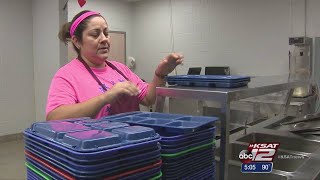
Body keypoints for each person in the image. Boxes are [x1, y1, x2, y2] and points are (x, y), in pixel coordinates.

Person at [46, 10, 183, 120]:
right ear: (76, 41)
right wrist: (106, 97)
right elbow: (54, 118)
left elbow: (148, 99)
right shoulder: (66, 75)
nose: (104, 39)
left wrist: (160, 74)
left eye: (106, 33)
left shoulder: (120, 68)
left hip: (133, 145)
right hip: (97, 149)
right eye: (95, 34)